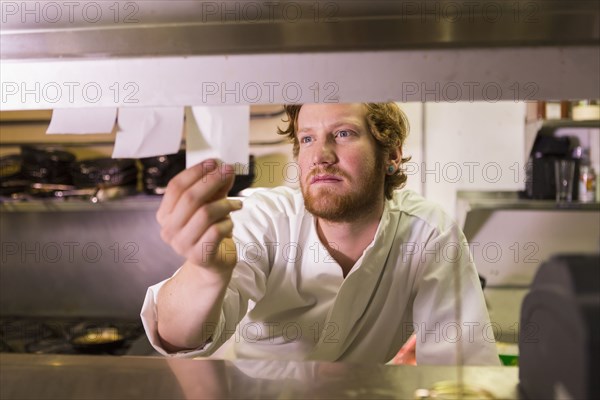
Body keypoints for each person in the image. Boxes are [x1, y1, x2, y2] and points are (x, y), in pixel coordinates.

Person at [140, 103, 500, 365]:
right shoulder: (262, 217)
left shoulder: (428, 234)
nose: (320, 155)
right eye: (307, 138)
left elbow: (462, 367)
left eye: (343, 134)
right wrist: (206, 271)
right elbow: (176, 337)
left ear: (391, 155)